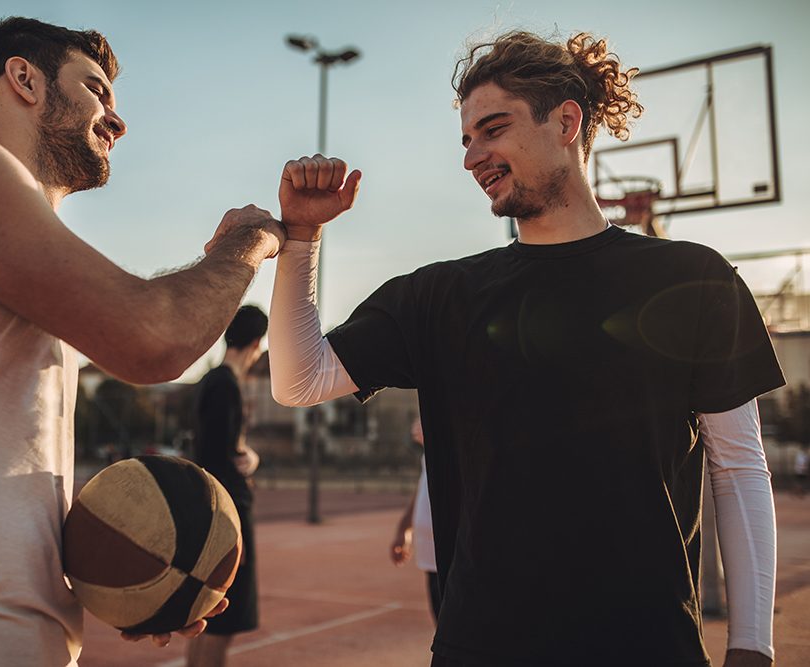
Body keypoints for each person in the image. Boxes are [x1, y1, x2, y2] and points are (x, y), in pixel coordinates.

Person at [265, 31, 783, 667]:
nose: (472, 156)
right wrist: (301, 238)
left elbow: (737, 464)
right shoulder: (442, 294)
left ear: (566, 120)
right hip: (482, 649)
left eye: (493, 128)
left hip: (648, 646)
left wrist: (752, 645)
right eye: (466, 139)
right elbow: (298, 380)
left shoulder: (691, 279)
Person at [0, 17, 284, 666]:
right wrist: (248, 243)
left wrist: (129, 577)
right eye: (97, 90)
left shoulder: (15, 264)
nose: (117, 120)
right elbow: (155, 338)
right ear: (23, 78)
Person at [189, 305, 268, 667]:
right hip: (226, 514)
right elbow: (217, 461)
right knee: (220, 619)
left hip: (220, 511)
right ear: (257, 343)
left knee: (206, 618)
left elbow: (223, 451)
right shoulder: (225, 384)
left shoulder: (216, 381)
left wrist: (249, 456)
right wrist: (231, 533)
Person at [390, 418, 440, 623]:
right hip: (429, 553)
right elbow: (424, 486)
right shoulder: (430, 454)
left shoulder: (458, 449)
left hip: (452, 551)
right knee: (440, 621)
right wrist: (405, 527)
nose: (416, 425)